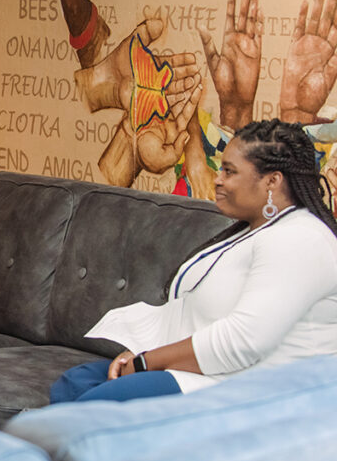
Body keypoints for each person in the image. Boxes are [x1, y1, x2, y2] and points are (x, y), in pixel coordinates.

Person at [51, 118, 337, 403]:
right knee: (76, 382)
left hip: (251, 391)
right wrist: (144, 353)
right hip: (209, 372)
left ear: (272, 180)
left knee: (99, 402)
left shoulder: (300, 239)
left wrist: (147, 363)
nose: (218, 179)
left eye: (229, 171)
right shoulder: (254, 231)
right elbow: (198, 316)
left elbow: (243, 341)